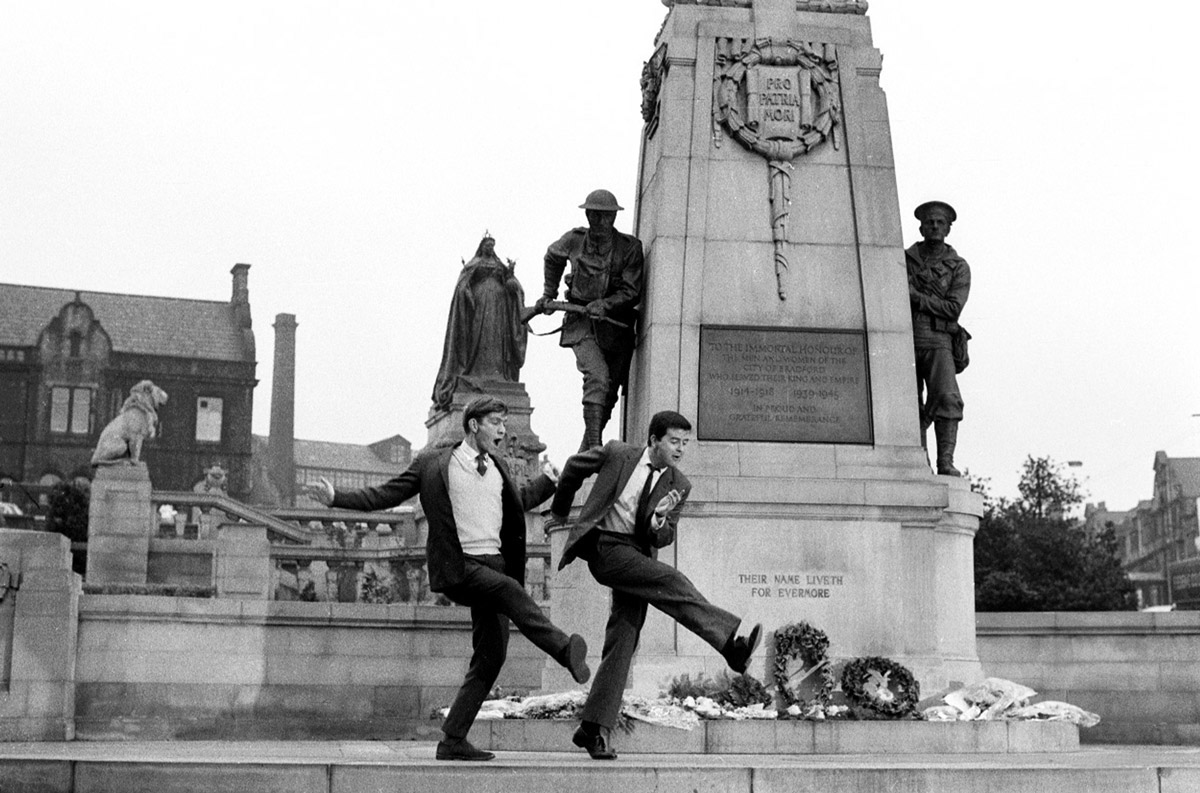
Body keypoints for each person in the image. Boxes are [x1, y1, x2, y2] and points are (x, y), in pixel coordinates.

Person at [304, 396, 589, 762]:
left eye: (505, 423)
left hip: (495, 563)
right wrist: (335, 497)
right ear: (474, 425)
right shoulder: (435, 463)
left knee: (491, 656)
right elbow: (385, 494)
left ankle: (453, 739)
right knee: (509, 591)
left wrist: (549, 482)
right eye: (496, 422)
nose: (503, 430)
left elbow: (517, 500)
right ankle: (565, 650)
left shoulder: (498, 466)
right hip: (461, 566)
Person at [548, 410, 762, 760]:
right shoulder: (618, 453)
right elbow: (573, 467)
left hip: (637, 555)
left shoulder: (679, 483)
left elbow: (662, 538)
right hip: (606, 548)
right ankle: (729, 643)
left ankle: (592, 728)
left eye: (685, 443)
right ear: (653, 441)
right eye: (674, 442)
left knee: (623, 639)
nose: (680, 450)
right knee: (671, 580)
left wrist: (660, 519)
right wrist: (559, 510)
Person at [538, 189, 644, 451]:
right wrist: (548, 294)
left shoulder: (629, 248)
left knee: (608, 394)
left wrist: (605, 304)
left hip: (614, 327)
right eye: (593, 215)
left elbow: (631, 290)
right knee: (597, 377)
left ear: (613, 218)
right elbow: (552, 256)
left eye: (605, 216)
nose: (599, 222)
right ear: (586, 214)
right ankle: (596, 446)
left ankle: (584, 455)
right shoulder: (574, 239)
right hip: (580, 322)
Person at [906, 200, 971, 476]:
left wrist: (916, 298)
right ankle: (918, 462)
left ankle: (945, 461)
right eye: (929, 221)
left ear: (948, 228)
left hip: (938, 339)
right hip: (905, 338)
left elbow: (953, 309)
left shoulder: (958, 266)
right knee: (908, 404)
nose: (934, 226)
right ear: (921, 226)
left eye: (939, 222)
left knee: (946, 397)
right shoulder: (903, 260)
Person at [432, 233, 528, 410]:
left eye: (493, 245)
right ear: (482, 246)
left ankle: (498, 376)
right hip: (479, 304)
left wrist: (512, 281)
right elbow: (462, 285)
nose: (490, 248)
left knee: (496, 340)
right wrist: (466, 292)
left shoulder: (499, 265)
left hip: (499, 309)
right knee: (479, 336)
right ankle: (475, 372)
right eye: (487, 244)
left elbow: (511, 284)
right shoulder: (473, 265)